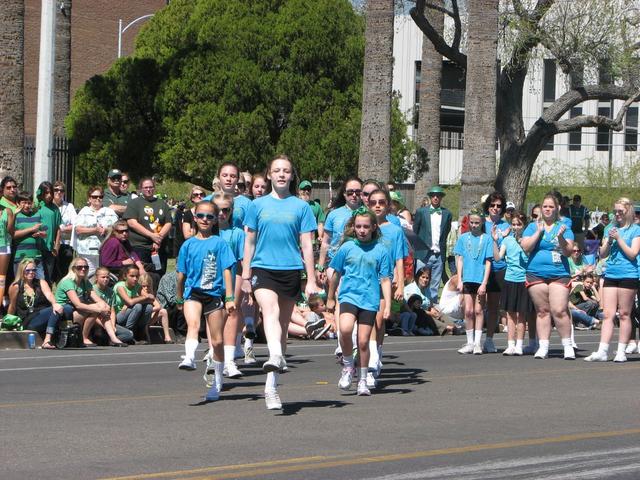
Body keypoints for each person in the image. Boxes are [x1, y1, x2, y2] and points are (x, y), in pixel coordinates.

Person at [242, 154, 318, 410]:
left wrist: (311, 280)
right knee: (269, 310)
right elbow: (249, 242)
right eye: (277, 170)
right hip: (263, 268)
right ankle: (275, 355)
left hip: (291, 270)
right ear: (269, 175)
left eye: (286, 170)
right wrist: (244, 275)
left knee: (283, 326)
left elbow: (307, 245)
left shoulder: (301, 207)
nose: (282, 174)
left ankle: (271, 386)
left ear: (291, 175)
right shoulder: (257, 205)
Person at [327, 207, 392, 396]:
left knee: (363, 342)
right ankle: (348, 367)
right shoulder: (347, 247)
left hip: (369, 300)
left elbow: (386, 279)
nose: (362, 230)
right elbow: (336, 273)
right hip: (348, 296)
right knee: (345, 330)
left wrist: (387, 305)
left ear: (373, 227)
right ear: (353, 228)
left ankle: (363, 380)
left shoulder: (380, 250)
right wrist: (330, 298)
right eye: (358, 227)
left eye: (365, 226)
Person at [176, 201, 236, 403]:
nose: (204, 220)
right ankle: (189, 357)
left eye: (209, 217)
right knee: (193, 325)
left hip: (214, 294)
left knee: (217, 341)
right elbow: (181, 274)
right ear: (195, 217)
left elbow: (227, 270)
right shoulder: (188, 244)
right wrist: (179, 295)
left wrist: (229, 297)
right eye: (201, 215)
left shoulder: (220, 243)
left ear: (215, 220)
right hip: (193, 292)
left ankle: (217, 381)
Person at [584, 198, 640, 362]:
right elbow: (602, 254)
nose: (617, 214)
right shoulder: (611, 228)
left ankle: (622, 350)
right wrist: (609, 240)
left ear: (628, 211)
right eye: (615, 211)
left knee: (624, 313)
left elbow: (632, 253)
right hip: (611, 274)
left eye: (620, 211)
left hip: (628, 274)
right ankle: (602, 350)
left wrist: (620, 239)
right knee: (608, 314)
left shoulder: (635, 230)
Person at [521, 193, 575, 360]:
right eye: (545, 206)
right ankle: (543, 346)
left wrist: (560, 237)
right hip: (536, 273)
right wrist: (538, 232)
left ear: (557, 208)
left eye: (551, 206)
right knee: (542, 311)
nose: (548, 209)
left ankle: (567, 346)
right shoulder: (532, 226)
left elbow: (568, 251)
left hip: (559, 273)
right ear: (541, 208)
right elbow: (526, 247)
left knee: (559, 310)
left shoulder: (564, 227)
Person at [367, 189, 409, 382]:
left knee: (379, 319)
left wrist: (400, 284)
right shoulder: (365, 226)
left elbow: (399, 258)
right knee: (370, 319)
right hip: (366, 279)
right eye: (373, 202)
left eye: (381, 202)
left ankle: (377, 353)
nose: (377, 205)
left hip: (386, 280)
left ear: (388, 205)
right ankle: (371, 358)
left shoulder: (395, 230)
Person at [212, 192, 246, 379]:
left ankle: (230, 360)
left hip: (231, 281)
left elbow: (242, 262)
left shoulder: (237, 233)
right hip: (211, 283)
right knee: (214, 318)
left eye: (226, 210)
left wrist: (243, 282)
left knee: (232, 314)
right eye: (218, 210)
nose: (221, 214)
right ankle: (214, 354)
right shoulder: (207, 233)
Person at [491, 211, 533, 355]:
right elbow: (498, 258)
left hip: (523, 280)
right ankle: (510, 344)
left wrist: (524, 243)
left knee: (521, 315)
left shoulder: (528, 241)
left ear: (524, 225)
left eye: (519, 224)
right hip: (510, 279)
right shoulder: (507, 240)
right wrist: (495, 241)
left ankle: (519, 345)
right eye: (513, 224)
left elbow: (529, 256)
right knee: (510, 314)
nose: (516, 227)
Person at [454, 208, 493, 355]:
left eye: (477, 223)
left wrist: (484, 282)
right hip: (467, 278)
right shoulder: (464, 238)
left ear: (482, 222)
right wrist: (460, 279)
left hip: (480, 278)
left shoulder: (487, 238)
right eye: (472, 222)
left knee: (478, 310)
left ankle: (478, 342)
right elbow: (460, 258)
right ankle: (470, 342)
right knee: (468, 311)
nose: (474, 225)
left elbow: (488, 261)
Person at [54, 257, 111, 347]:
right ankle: (80, 338)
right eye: (79, 267)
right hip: (64, 313)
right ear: (73, 268)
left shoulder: (85, 282)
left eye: (86, 267)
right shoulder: (68, 282)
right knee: (93, 310)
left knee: (99, 307)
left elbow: (97, 299)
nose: (83, 269)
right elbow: (78, 305)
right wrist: (100, 310)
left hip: (76, 309)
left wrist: (105, 306)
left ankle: (110, 336)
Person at [7, 259, 64, 349]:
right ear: (22, 271)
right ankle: (47, 339)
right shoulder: (16, 286)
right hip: (28, 319)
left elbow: (49, 294)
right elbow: (12, 306)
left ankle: (69, 337)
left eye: (34, 270)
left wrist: (54, 303)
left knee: (67, 308)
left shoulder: (41, 282)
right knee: (54, 310)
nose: (31, 272)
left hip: (43, 314)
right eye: (28, 270)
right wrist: (8, 321)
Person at [124, 178, 171, 275]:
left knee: (159, 274)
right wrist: (151, 235)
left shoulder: (162, 203)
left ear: (154, 188)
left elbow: (168, 222)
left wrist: (158, 238)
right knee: (141, 276)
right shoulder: (134, 203)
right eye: (145, 187)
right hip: (140, 246)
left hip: (159, 247)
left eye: (151, 187)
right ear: (141, 189)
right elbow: (132, 222)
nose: (148, 189)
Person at [413, 186, 452, 302]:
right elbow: (415, 231)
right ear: (430, 197)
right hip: (423, 253)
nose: (436, 198)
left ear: (441, 198)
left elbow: (446, 231)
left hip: (438, 253)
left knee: (435, 283)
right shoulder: (421, 212)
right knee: (419, 281)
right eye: (433, 195)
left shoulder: (447, 214)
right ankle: (417, 304)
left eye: (438, 196)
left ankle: (432, 306)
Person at [482, 191, 510, 353]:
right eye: (492, 205)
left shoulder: (506, 226)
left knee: (493, 307)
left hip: (499, 268)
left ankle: (489, 339)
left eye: (499, 206)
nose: (495, 208)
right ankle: (475, 339)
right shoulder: (481, 223)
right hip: (480, 269)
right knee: (479, 307)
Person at [318, 176, 363, 270]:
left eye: (358, 192)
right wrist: (320, 266)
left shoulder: (367, 214)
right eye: (350, 192)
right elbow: (326, 242)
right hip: (335, 264)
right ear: (344, 194)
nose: (354, 195)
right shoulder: (333, 214)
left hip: (360, 264)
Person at [73, 186, 119, 276]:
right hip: (87, 251)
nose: (98, 199)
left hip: (105, 251)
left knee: (103, 275)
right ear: (89, 199)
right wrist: (95, 230)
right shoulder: (84, 211)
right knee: (88, 274)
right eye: (94, 197)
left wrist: (106, 229)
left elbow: (117, 228)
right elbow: (78, 230)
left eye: (100, 196)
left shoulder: (109, 212)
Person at [203, 162, 252, 229]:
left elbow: (249, 230)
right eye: (224, 175)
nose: (228, 179)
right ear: (218, 177)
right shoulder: (207, 201)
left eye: (233, 176)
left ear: (237, 179)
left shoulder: (247, 203)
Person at [112, 265, 154, 343]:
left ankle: (141, 331)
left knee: (149, 307)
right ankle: (130, 332)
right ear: (125, 276)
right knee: (138, 306)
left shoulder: (137, 286)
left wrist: (130, 303)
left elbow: (151, 299)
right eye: (132, 276)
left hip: (130, 312)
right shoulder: (120, 286)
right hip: (119, 315)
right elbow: (131, 301)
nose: (135, 279)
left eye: (137, 276)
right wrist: (144, 298)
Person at [92, 266, 131, 346]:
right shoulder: (92, 290)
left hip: (108, 321)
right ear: (96, 278)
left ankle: (111, 340)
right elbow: (93, 314)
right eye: (103, 277)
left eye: (107, 277)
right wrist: (104, 326)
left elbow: (112, 311)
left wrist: (112, 326)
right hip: (96, 321)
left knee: (129, 334)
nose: (106, 279)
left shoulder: (111, 292)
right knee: (99, 334)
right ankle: (106, 338)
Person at [13, 190, 46, 278]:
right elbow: (13, 235)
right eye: (24, 203)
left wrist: (41, 233)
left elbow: (45, 232)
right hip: (20, 257)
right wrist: (31, 229)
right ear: (18, 203)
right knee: (20, 283)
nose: (27, 206)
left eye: (29, 203)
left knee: (40, 282)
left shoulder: (37, 215)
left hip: (36, 256)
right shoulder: (15, 216)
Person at [35, 182, 62, 282]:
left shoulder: (55, 209)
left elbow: (58, 228)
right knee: (37, 274)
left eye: (50, 192)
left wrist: (57, 245)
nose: (49, 195)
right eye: (46, 193)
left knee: (48, 275)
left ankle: (46, 296)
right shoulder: (36, 207)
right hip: (37, 246)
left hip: (50, 247)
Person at [52, 181, 76, 282]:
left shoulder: (69, 206)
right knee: (52, 270)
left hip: (65, 243)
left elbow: (75, 224)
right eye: (56, 190)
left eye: (61, 190)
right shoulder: (49, 207)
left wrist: (62, 229)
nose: (58, 192)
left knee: (64, 270)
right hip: (52, 243)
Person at [139, 272, 173, 344]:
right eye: (143, 286)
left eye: (148, 286)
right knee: (147, 310)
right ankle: (146, 338)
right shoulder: (139, 292)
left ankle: (167, 337)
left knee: (163, 311)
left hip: (148, 316)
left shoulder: (150, 293)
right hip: (140, 318)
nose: (146, 288)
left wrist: (150, 310)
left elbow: (158, 306)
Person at [0, 194, 15, 306]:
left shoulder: (8, 211)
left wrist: (15, 215)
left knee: (1, 278)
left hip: (4, 245)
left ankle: (0, 306)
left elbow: (11, 231)